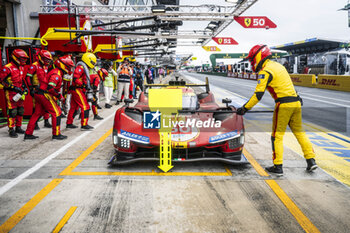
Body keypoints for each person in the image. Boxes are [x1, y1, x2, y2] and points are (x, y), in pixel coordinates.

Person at [236, 44, 317, 176]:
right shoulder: (279, 66)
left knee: (276, 137)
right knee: (300, 133)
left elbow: (258, 95)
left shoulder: (265, 71)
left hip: (283, 105)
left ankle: (278, 166)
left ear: (258, 56)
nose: (251, 63)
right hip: (296, 102)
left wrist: (244, 108)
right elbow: (288, 84)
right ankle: (311, 161)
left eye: (252, 59)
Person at [24, 55, 74, 140]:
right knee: (57, 112)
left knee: (36, 114)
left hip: (39, 93)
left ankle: (28, 133)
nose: (70, 69)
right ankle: (56, 134)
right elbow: (51, 88)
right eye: (68, 67)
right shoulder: (57, 74)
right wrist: (59, 96)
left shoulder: (55, 71)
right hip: (44, 94)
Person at [0, 49, 29, 138]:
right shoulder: (7, 68)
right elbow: (2, 81)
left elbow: (21, 79)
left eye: (24, 59)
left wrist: (24, 87)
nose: (23, 61)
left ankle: (18, 127)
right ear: (15, 57)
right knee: (13, 111)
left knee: (20, 110)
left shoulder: (21, 67)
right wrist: (13, 88)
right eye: (22, 59)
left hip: (19, 93)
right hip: (11, 93)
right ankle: (11, 129)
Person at [66, 52, 96, 130]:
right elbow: (75, 78)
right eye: (92, 62)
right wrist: (83, 85)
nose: (92, 64)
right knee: (85, 106)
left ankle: (69, 123)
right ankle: (84, 124)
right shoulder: (81, 67)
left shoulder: (83, 67)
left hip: (76, 89)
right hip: (77, 89)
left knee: (73, 107)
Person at [25, 50, 52, 130]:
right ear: (41, 58)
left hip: (45, 89)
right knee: (35, 107)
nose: (47, 61)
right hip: (36, 89)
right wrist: (30, 88)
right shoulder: (34, 66)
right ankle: (35, 123)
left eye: (48, 59)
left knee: (46, 106)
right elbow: (28, 77)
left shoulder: (46, 66)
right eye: (45, 59)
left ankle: (46, 121)